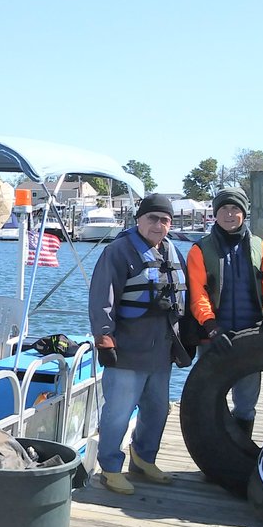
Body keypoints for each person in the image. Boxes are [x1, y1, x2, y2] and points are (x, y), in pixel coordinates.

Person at [89, 194, 192, 495]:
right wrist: (104, 339)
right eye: (152, 218)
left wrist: (188, 335)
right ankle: (109, 467)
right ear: (139, 220)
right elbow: (101, 298)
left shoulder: (172, 251)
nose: (158, 225)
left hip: (161, 350)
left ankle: (144, 458)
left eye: (164, 220)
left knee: (158, 409)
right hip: (126, 349)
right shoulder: (118, 252)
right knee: (118, 412)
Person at [185, 187, 263, 436]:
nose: (230, 214)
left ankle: (240, 453)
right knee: (209, 398)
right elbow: (198, 293)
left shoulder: (262, 249)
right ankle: (210, 452)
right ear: (215, 214)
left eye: (235, 209)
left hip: (251, 337)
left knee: (246, 404)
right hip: (214, 338)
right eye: (224, 209)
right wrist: (210, 325)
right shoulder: (199, 250)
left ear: (244, 213)